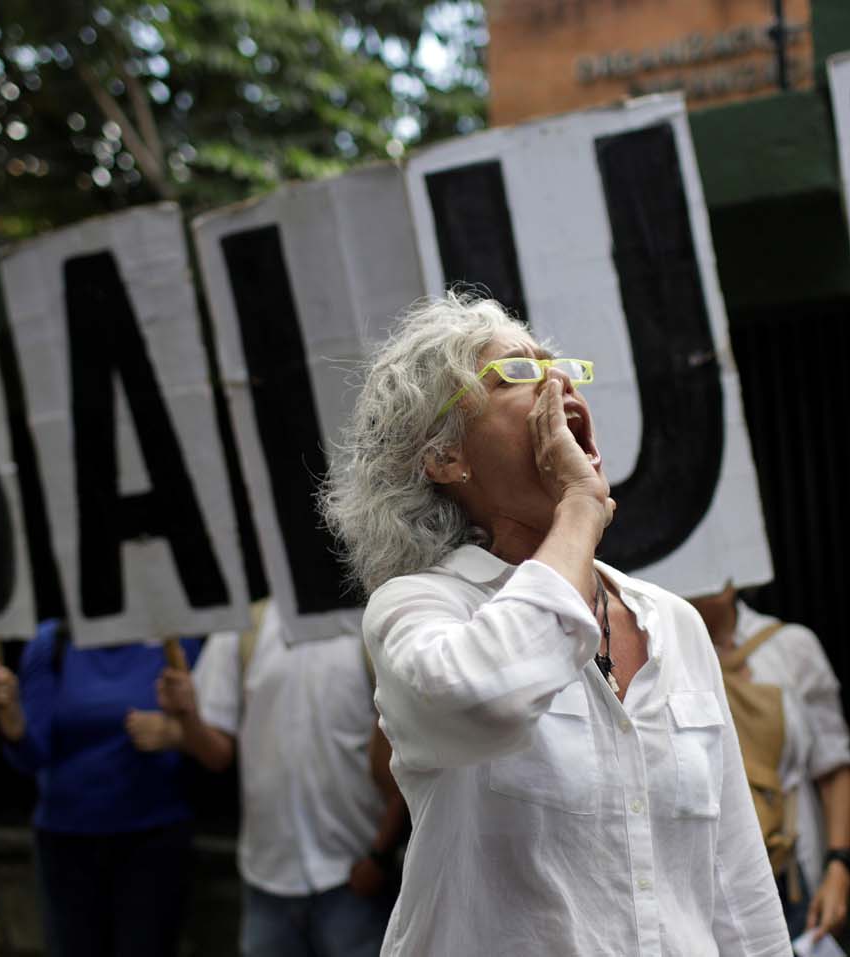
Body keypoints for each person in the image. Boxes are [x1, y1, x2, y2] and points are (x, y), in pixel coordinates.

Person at [318, 292, 791, 956]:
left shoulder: (674, 625)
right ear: (446, 457)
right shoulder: (417, 608)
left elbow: (738, 888)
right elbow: (486, 697)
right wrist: (577, 508)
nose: (558, 382)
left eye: (563, 367)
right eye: (517, 373)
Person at [133, 600, 407, 957]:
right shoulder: (246, 626)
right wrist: (187, 717)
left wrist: (380, 857)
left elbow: (403, 759)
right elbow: (216, 753)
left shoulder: (372, 624)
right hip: (267, 877)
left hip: (353, 874)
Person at [0, 620, 202, 957]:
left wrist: (176, 732)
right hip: (67, 843)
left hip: (152, 839)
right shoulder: (52, 643)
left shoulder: (174, 641)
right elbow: (32, 754)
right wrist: (10, 716)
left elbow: (215, 742)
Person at [688, 583, 850, 943]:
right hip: (704, 887)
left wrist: (839, 868)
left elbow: (833, 765)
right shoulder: (652, 653)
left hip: (792, 874)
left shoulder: (789, 646)